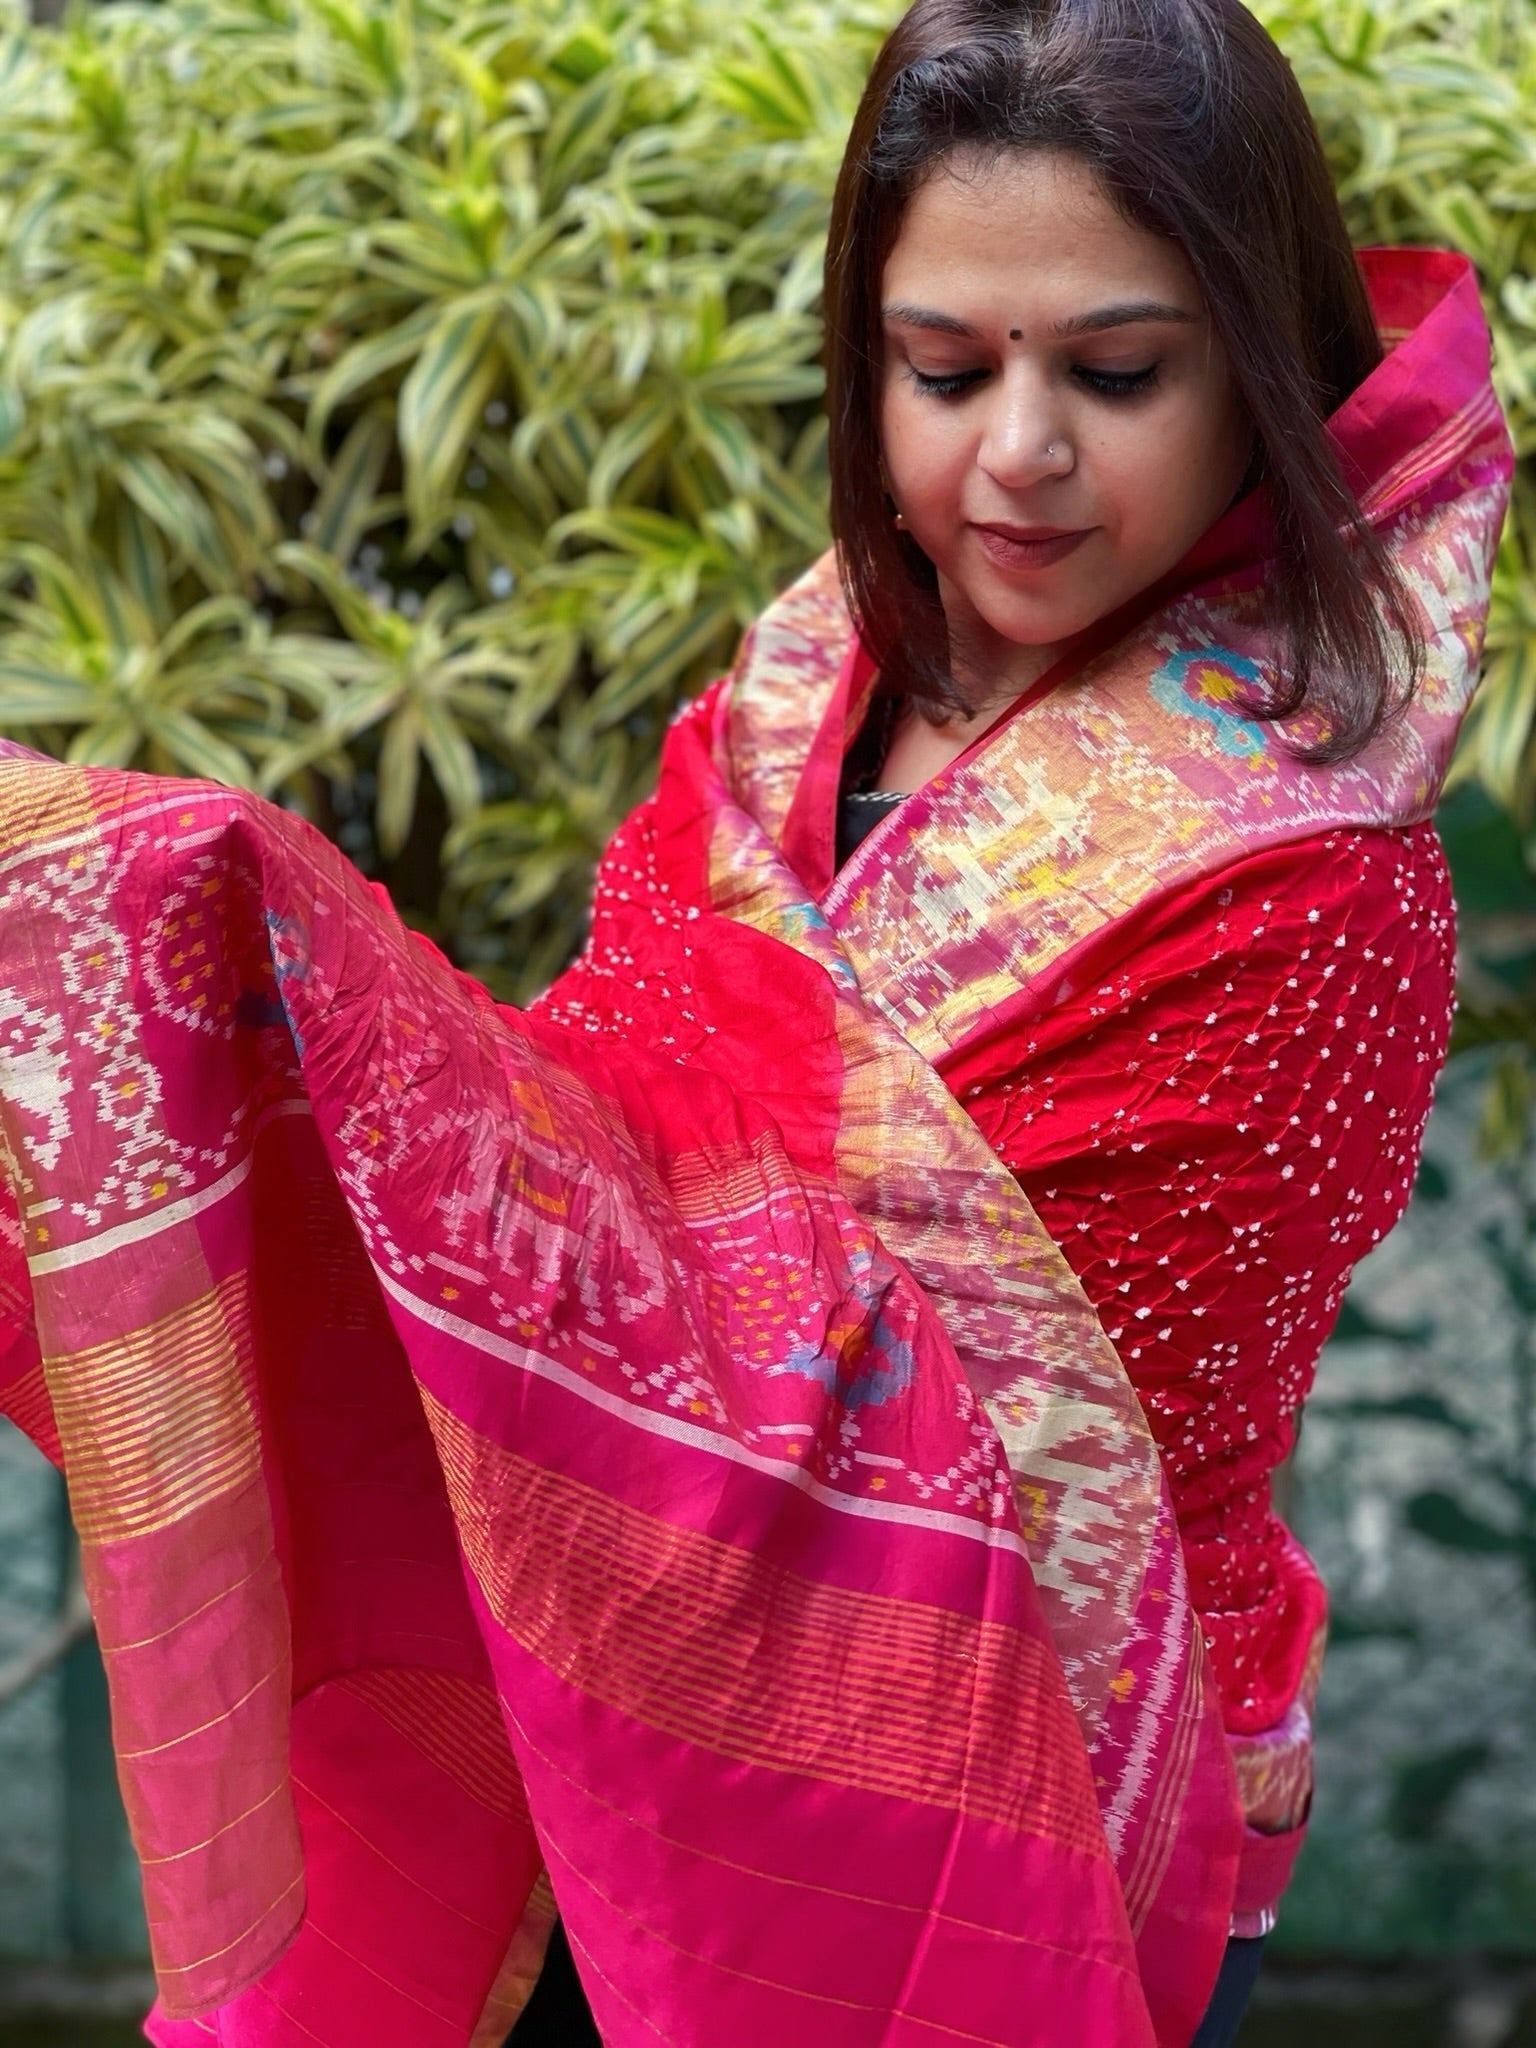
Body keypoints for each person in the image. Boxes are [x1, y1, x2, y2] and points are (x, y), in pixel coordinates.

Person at [0, 0, 1509, 2042]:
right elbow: (590, 1112)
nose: (1021, 452)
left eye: (1119, 372)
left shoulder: (1311, 870)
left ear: (1257, 357)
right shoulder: (809, 681)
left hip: (1030, 1798)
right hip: (601, 1751)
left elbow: (973, 1399)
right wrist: (245, 1012)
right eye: (945, 369)